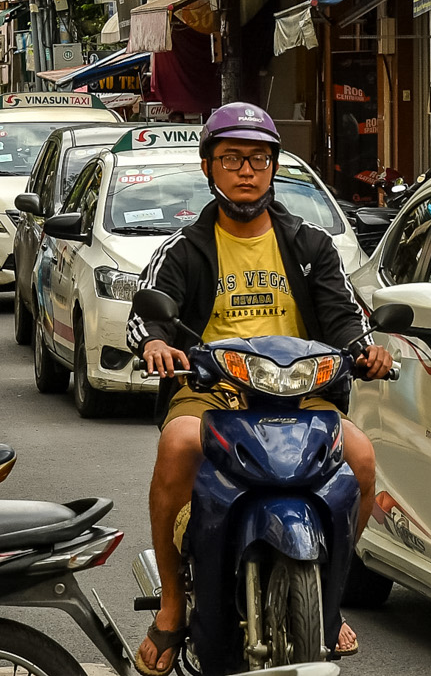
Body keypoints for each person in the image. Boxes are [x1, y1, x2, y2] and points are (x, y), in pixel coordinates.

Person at [127, 103, 394, 673]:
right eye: (231, 160)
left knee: (363, 458)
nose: (246, 171)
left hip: (299, 389)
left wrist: (365, 350)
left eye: (258, 159)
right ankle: (174, 606)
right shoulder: (184, 248)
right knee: (176, 445)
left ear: (274, 167)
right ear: (208, 167)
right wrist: (155, 344)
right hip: (214, 387)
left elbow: (345, 316)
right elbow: (148, 313)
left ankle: (331, 598)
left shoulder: (311, 245)